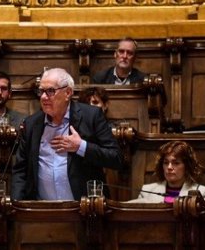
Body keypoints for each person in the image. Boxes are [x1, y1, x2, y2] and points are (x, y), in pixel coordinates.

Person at [11, 68, 123, 200]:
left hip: (84, 209)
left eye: (51, 91)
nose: (43, 97)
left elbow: (116, 158)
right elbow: (20, 170)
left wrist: (81, 146)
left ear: (68, 93)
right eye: (41, 91)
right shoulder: (31, 124)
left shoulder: (91, 116)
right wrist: (18, 206)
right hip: (42, 211)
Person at [129, 141, 205, 203]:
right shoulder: (147, 190)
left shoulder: (201, 191)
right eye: (166, 162)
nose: (169, 167)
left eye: (176, 163)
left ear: (187, 166)